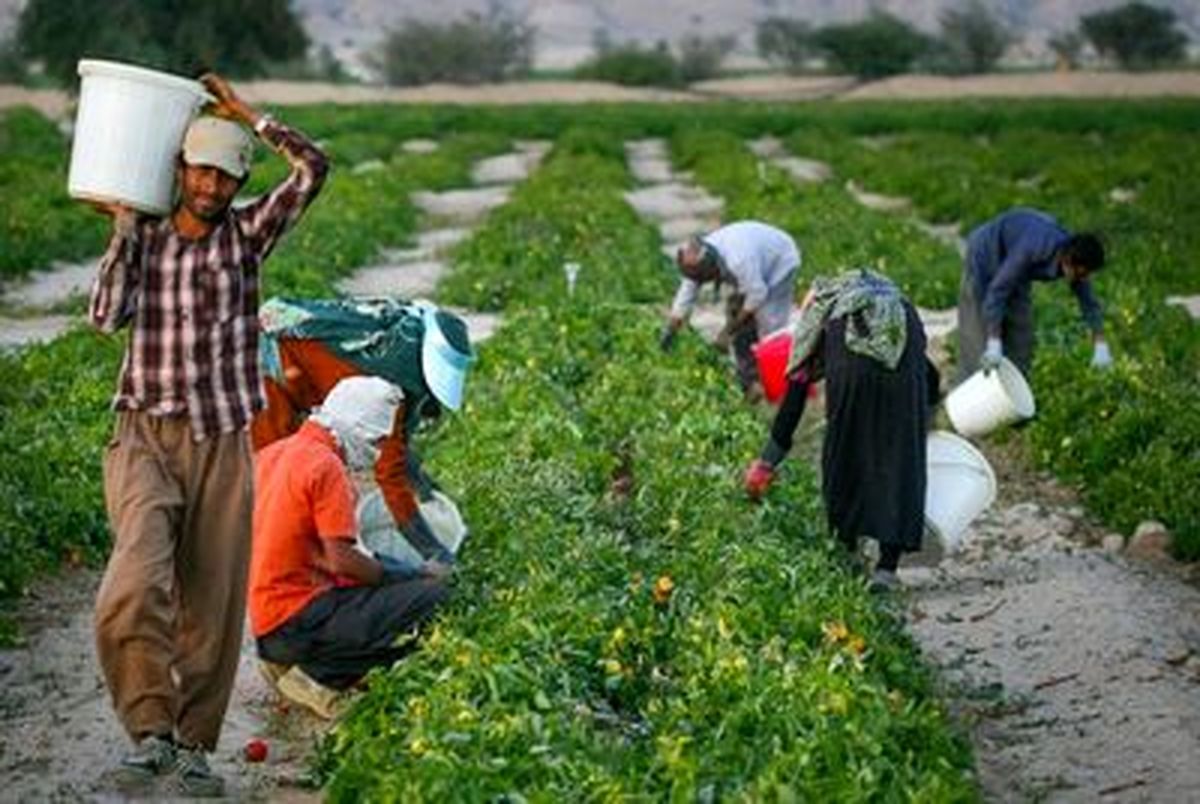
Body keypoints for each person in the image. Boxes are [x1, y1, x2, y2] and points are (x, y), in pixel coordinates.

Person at [87, 73, 328, 796]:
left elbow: (313, 168)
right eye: (200, 170)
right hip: (144, 434)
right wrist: (123, 228)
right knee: (131, 585)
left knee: (213, 598)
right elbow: (103, 317)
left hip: (222, 436)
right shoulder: (147, 238)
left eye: (225, 176)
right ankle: (148, 728)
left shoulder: (249, 237)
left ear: (235, 183)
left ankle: (190, 746)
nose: (211, 186)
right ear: (178, 170)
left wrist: (249, 117)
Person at [249, 376, 450, 719]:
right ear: (355, 426)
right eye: (374, 440)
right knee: (432, 597)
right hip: (298, 620)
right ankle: (318, 678)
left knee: (376, 595)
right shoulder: (326, 466)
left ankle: (283, 664)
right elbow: (343, 562)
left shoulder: (274, 453)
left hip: (267, 622)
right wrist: (408, 574)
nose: (373, 451)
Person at [742, 270, 940, 591]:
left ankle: (847, 551)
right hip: (904, 360)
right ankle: (886, 569)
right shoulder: (895, 304)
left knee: (845, 452)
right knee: (899, 457)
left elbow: (794, 398)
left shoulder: (822, 314)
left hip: (853, 368)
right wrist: (923, 425)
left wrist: (767, 462)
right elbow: (929, 374)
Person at [252, 296, 475, 563]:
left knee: (294, 470)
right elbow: (391, 475)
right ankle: (273, 566)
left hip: (281, 337)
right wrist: (433, 551)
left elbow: (397, 448)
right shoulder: (390, 387)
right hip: (268, 373)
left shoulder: (400, 334)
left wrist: (427, 490)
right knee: (275, 476)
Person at [957, 207, 1109, 383]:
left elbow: (1089, 302)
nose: (1082, 279)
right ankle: (970, 395)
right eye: (1080, 274)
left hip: (1015, 266)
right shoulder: (1035, 246)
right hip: (985, 257)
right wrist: (994, 342)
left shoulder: (1077, 259)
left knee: (1021, 334)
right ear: (1068, 262)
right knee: (978, 335)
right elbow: (997, 291)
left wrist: (1100, 343)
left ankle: (1014, 395)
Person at [659, 220, 801, 394]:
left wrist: (728, 331)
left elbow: (757, 294)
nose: (700, 282)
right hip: (755, 262)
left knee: (770, 325)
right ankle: (751, 381)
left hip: (779, 260)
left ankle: (783, 382)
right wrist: (670, 331)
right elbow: (685, 295)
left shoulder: (738, 261)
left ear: (712, 269)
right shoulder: (696, 261)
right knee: (738, 317)